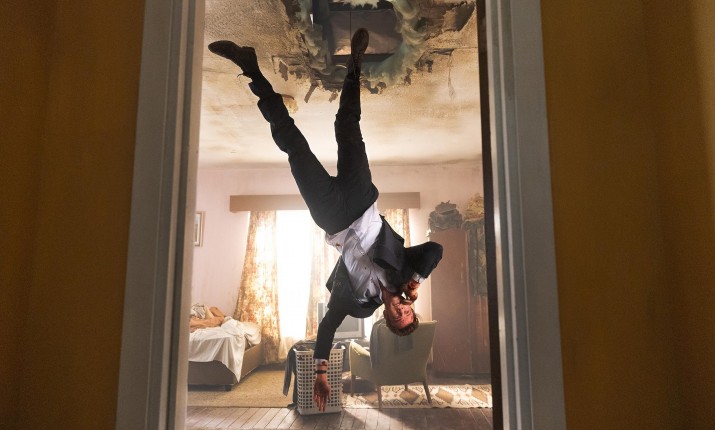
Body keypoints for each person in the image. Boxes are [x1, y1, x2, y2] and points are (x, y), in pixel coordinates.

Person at [208, 28, 443, 411]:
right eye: (408, 312)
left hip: (331, 217)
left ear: (386, 319)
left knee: (292, 144)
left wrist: (320, 371)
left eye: (398, 317)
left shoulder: (361, 305)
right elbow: (436, 248)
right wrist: (416, 280)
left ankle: (249, 66)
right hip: (361, 199)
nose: (402, 310)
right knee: (347, 125)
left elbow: (327, 327)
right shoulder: (406, 272)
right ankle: (355, 65)